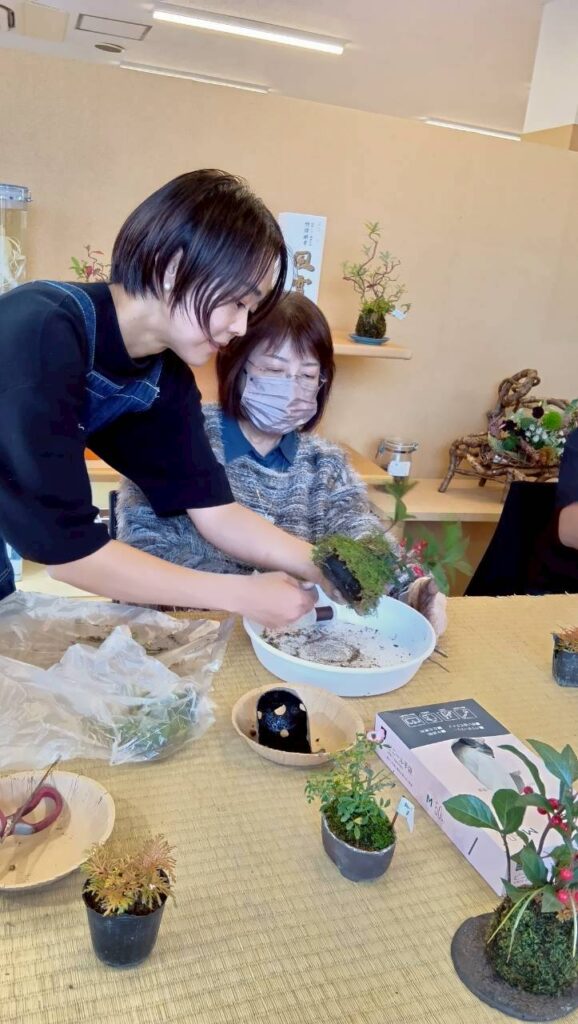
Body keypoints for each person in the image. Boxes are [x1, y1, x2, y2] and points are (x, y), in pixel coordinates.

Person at [0, 169, 336, 627]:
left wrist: (326, 566)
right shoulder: (41, 332)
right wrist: (240, 594)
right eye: (238, 302)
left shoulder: (165, 378)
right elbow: (68, 554)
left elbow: (216, 511)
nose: (241, 327)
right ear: (173, 266)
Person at [116, 293, 447, 635]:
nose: (291, 389)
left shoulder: (326, 466)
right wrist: (244, 592)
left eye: (307, 375)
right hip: (188, 639)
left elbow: (360, 533)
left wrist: (408, 588)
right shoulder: (179, 438)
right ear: (236, 368)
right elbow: (143, 558)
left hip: (289, 642)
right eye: (274, 370)